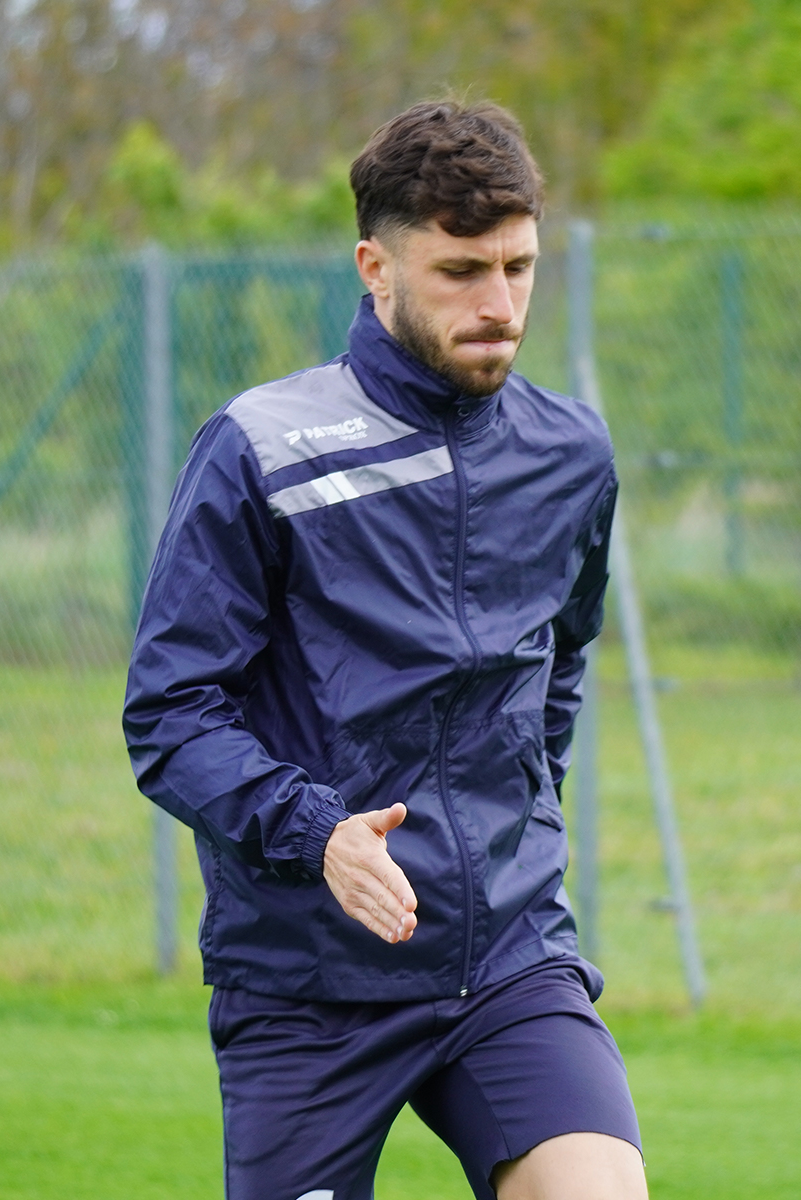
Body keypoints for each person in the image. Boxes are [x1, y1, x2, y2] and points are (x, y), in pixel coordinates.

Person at [124, 99, 645, 1200]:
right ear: (375, 265)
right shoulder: (262, 449)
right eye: (461, 271)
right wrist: (319, 836)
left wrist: (518, 823)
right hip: (308, 980)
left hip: (505, 959)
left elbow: (557, 670)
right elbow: (170, 715)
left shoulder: (570, 455)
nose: (499, 305)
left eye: (519, 267)